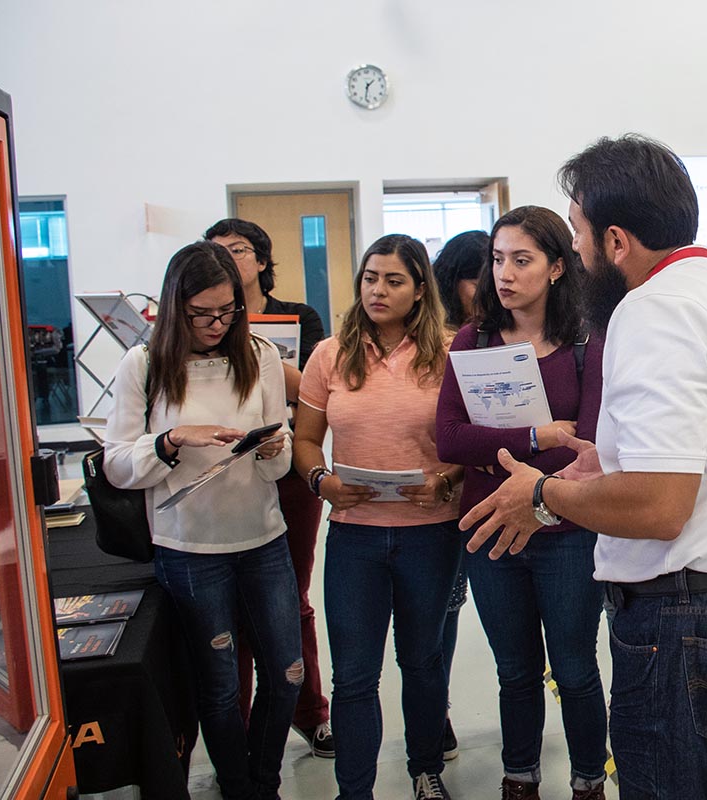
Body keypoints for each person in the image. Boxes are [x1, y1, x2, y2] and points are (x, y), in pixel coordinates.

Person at [460, 134, 707, 799]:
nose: (578, 252)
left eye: (578, 236)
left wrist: (542, 495)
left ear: (616, 241)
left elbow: (658, 508)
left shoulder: (654, 311)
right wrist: (612, 464)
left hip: (691, 630)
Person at [104, 241, 299, 799]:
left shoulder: (259, 354)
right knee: (217, 688)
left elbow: (279, 463)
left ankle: (263, 782)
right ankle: (240, 787)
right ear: (174, 307)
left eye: (227, 310)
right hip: (188, 548)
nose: (217, 323)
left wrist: (271, 451)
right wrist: (169, 441)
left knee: (288, 675)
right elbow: (117, 464)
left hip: (263, 538)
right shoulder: (143, 364)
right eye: (202, 314)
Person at [436, 205, 608, 800]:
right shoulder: (473, 339)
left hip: (565, 531)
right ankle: (520, 778)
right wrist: (537, 436)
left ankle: (589, 779)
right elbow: (450, 436)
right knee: (515, 672)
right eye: (498, 258)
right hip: (489, 532)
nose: (505, 273)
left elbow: (585, 450)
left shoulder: (587, 343)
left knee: (576, 668)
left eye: (522, 259)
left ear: (558, 267)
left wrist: (511, 470)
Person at [292, 233, 463, 800]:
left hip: (430, 535)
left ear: (419, 290)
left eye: (394, 280)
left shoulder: (452, 349)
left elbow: (473, 442)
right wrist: (323, 482)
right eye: (370, 278)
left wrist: (449, 479)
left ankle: (424, 771)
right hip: (354, 539)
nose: (378, 290)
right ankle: (354, 791)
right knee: (355, 676)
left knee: (422, 662)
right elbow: (307, 440)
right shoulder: (330, 354)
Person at [204, 217, 333, 758]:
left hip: (286, 460)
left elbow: (319, 394)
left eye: (238, 250)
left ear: (260, 259)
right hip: (222, 468)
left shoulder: (298, 317)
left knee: (291, 597)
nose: (228, 261)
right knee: (228, 610)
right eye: (215, 253)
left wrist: (269, 365)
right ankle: (239, 730)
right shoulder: (201, 324)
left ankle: (310, 713)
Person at [430, 227, 490, 760]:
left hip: (481, 488)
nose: (491, 283)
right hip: (431, 494)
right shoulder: (438, 336)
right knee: (441, 611)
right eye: (478, 275)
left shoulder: (496, 332)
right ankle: (437, 710)